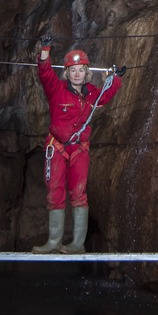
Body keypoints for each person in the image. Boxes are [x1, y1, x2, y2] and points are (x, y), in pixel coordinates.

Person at [32, 37, 123, 254]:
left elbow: (106, 95)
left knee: (79, 193)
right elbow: (45, 73)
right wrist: (45, 50)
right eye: (72, 70)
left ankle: (77, 244)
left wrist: (116, 78)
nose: (77, 74)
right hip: (58, 147)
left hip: (79, 148)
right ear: (67, 72)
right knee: (55, 192)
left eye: (81, 70)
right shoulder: (57, 89)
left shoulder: (92, 93)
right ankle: (53, 242)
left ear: (86, 72)